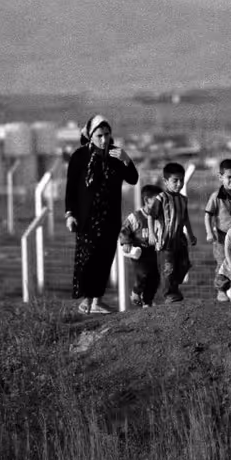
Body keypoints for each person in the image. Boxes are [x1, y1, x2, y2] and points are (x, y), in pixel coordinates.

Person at [64, 115, 138, 314]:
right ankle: (86, 300)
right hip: (86, 218)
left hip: (109, 218)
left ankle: (97, 301)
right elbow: (71, 188)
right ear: (90, 135)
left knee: (104, 259)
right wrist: (70, 214)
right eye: (99, 135)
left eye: (107, 134)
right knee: (88, 258)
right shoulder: (79, 156)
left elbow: (133, 179)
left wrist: (126, 160)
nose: (104, 139)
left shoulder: (116, 155)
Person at [145, 162, 197, 304]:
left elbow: (185, 219)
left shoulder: (183, 200)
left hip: (180, 241)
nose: (179, 184)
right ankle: (169, 294)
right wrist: (151, 234)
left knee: (185, 264)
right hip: (165, 242)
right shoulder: (161, 199)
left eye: (181, 180)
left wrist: (191, 234)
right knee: (168, 268)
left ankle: (173, 286)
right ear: (165, 181)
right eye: (175, 180)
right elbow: (151, 216)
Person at [203, 158, 231, 303]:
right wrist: (209, 232)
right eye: (229, 177)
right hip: (221, 238)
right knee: (223, 263)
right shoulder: (216, 197)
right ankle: (221, 290)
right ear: (220, 177)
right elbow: (207, 215)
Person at [119, 184, 163, 308]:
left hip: (155, 253)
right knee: (143, 274)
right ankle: (136, 292)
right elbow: (124, 230)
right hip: (139, 254)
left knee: (155, 278)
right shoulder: (135, 217)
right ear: (147, 200)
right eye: (157, 200)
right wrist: (126, 242)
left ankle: (147, 302)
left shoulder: (161, 217)